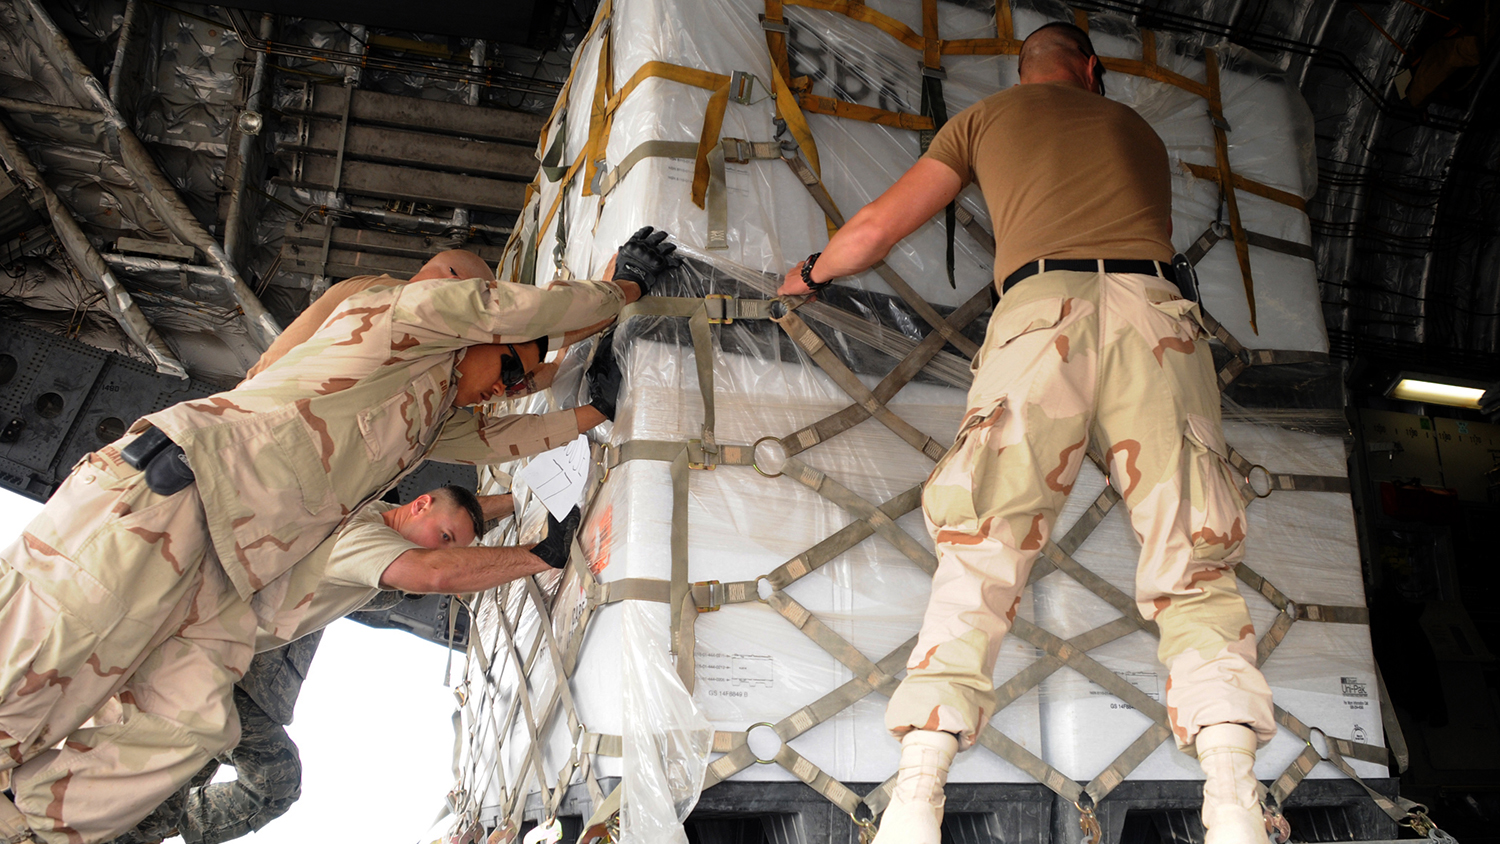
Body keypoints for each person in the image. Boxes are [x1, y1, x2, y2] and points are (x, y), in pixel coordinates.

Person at [0, 226, 679, 844]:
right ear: (464, 308)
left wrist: (591, 409)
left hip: (228, 576)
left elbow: (500, 438)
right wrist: (620, 289)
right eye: (506, 370)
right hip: (177, 499)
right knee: (44, 660)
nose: (502, 390)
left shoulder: (423, 412)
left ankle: (28, 828)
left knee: (188, 728)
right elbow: (505, 309)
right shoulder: (399, 315)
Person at [777, 25, 1274, 844]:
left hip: (1042, 321)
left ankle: (916, 802)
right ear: (1092, 69)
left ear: (1022, 70)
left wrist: (809, 274)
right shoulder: (1137, 131)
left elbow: (875, 228)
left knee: (984, 543)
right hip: (1160, 324)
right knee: (1194, 552)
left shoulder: (985, 120)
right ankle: (1232, 802)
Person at [112, 486, 566, 844]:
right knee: (226, 782)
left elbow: (447, 525)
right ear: (418, 506)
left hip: (243, 692)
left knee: (231, 779)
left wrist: (518, 497)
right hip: (221, 678)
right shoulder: (364, 537)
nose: (443, 546)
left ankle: (163, 824)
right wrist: (538, 556)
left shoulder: (378, 538)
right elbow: (436, 571)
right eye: (443, 537)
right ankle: (143, 828)